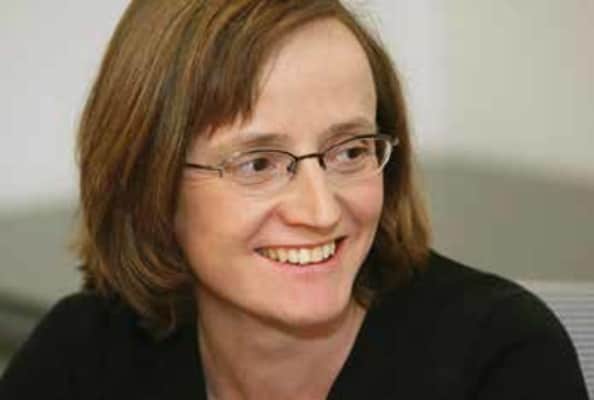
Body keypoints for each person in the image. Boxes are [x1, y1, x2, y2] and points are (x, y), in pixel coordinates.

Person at [0, 1, 588, 399]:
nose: (321, 211)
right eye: (258, 163)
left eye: (349, 151)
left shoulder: (500, 362)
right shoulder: (85, 354)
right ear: (148, 182)